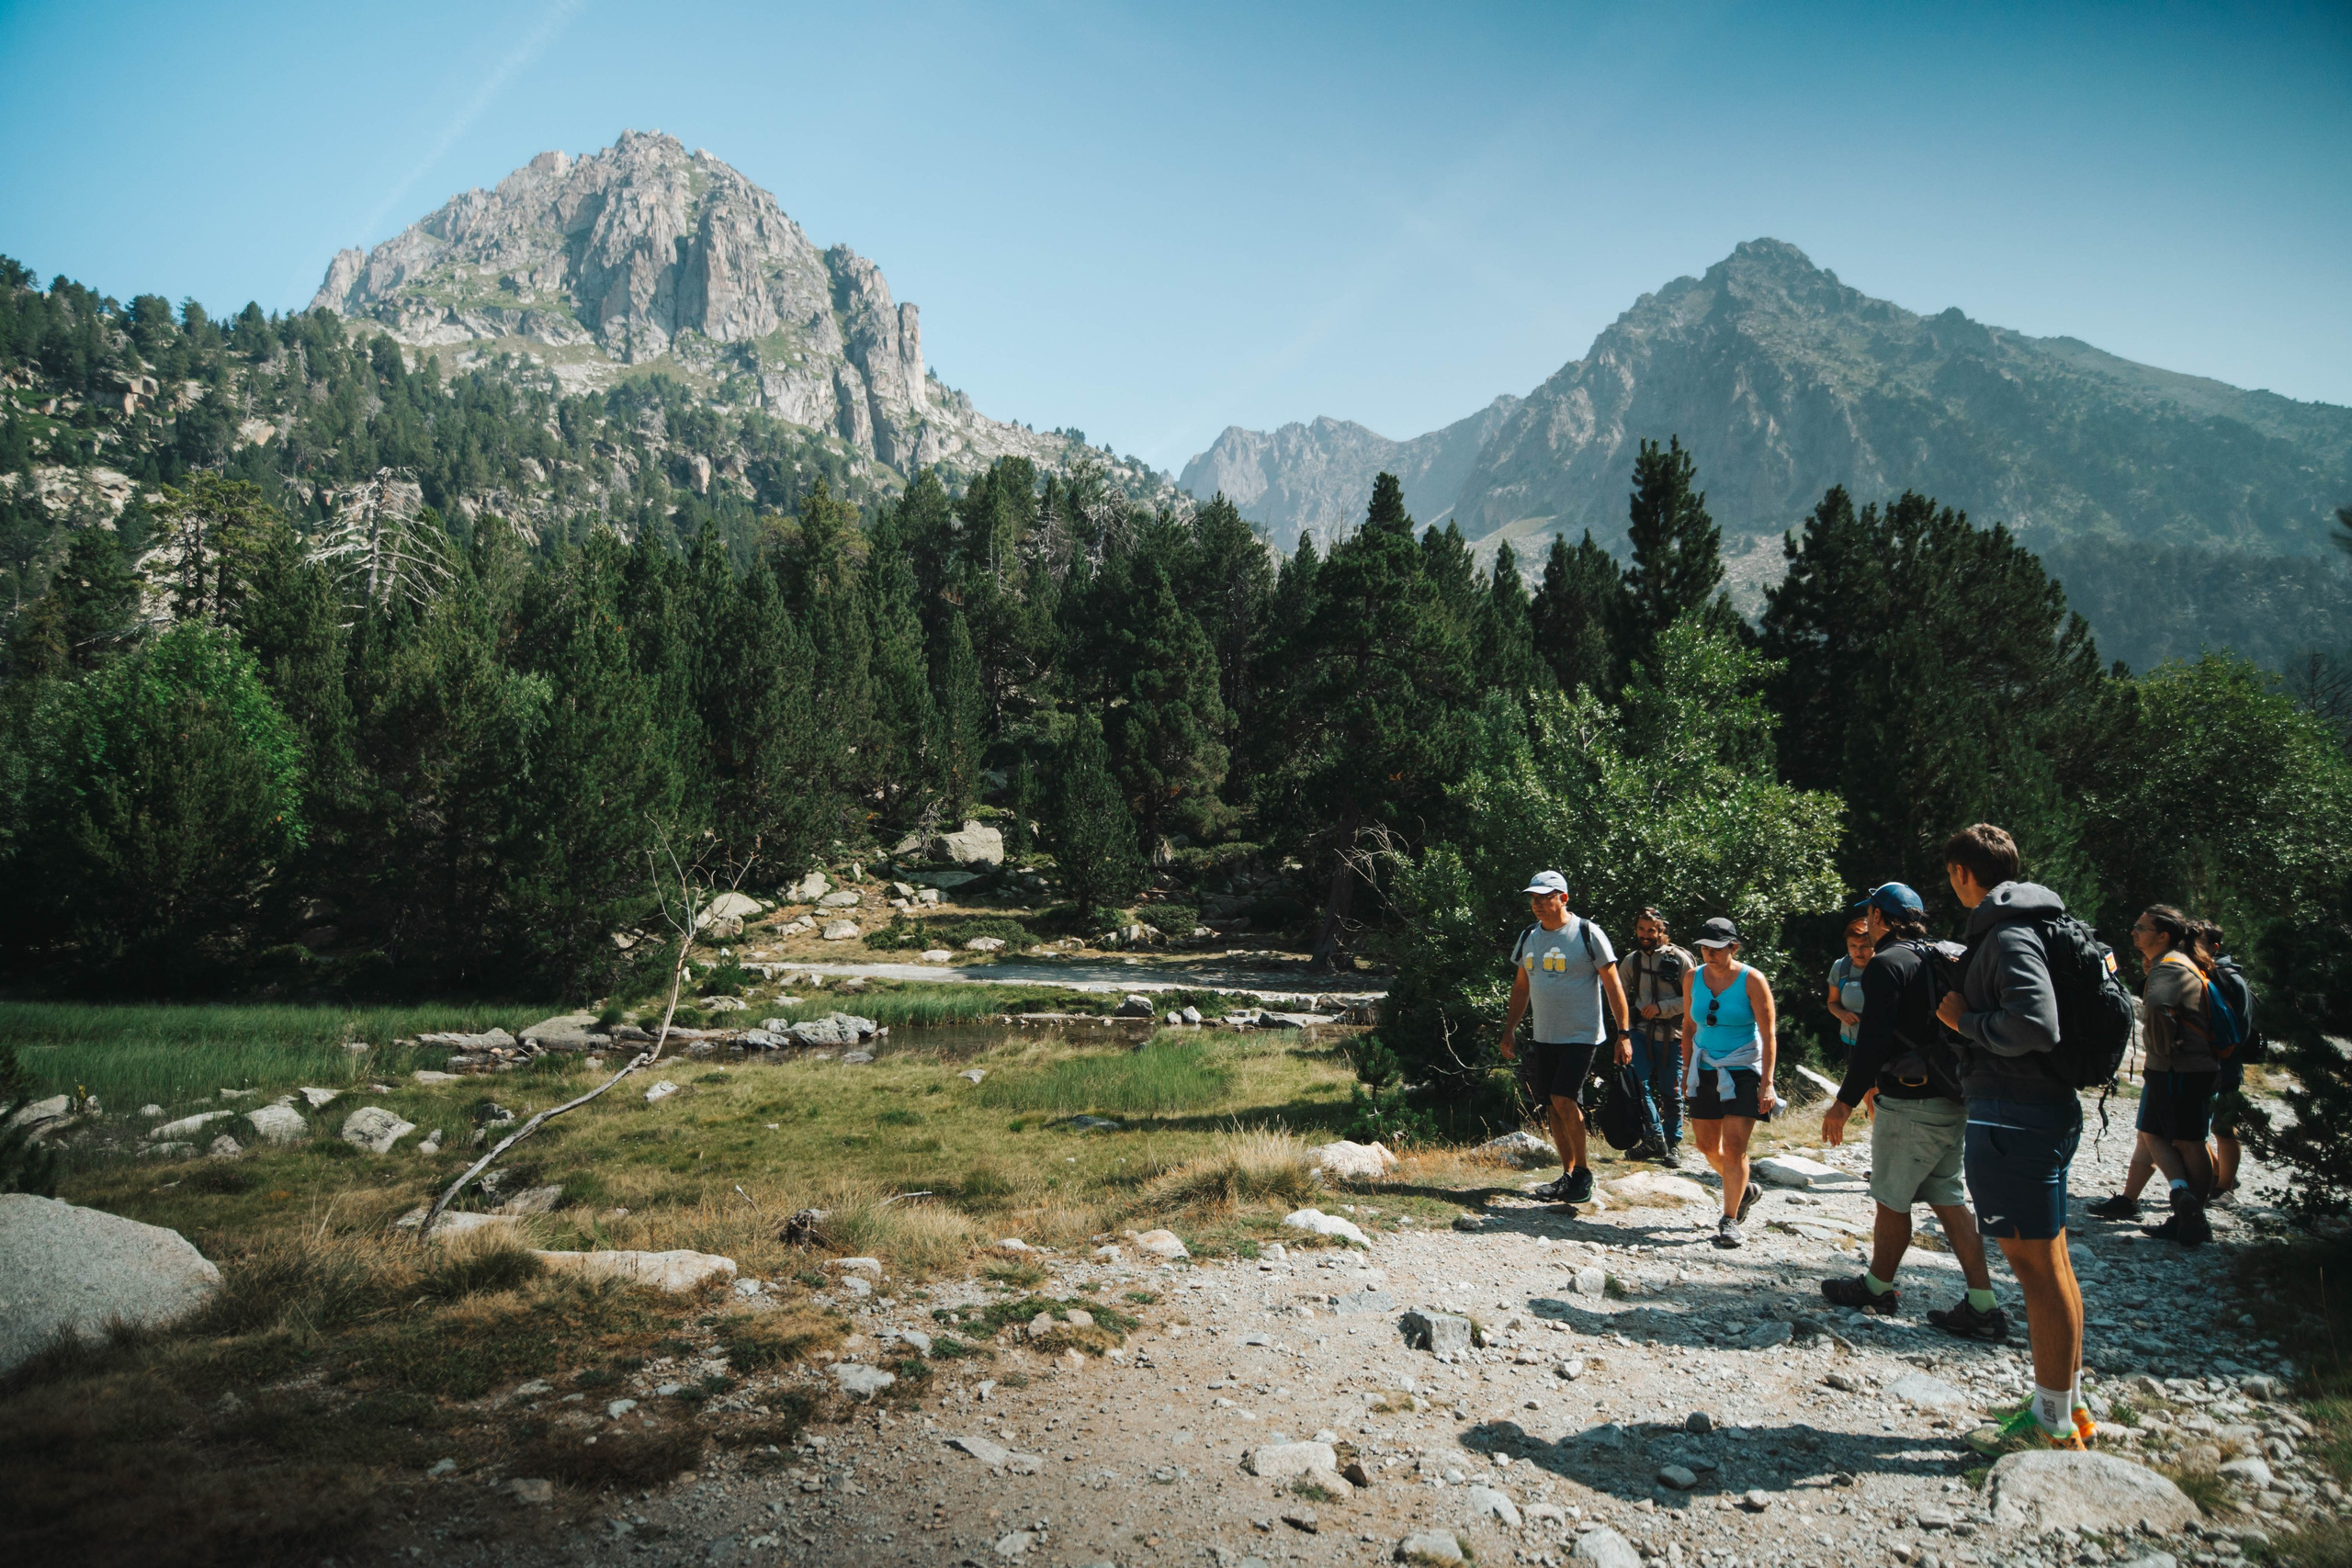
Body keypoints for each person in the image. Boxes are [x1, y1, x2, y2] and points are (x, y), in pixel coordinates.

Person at [1936, 822, 2089, 1450]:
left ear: (1963, 874)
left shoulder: (2005, 932)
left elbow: (2034, 1023)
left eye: (1952, 873)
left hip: (2013, 1114)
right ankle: (2066, 1406)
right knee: (2052, 1261)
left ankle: (2052, 1424)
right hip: (2038, 1108)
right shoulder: (2036, 920)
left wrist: (1962, 1019)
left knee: (2034, 1268)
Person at [1818, 883, 2007, 1340]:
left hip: (1909, 1102)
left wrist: (1843, 1103)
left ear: (1880, 918)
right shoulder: (1949, 953)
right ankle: (1983, 1304)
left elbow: (1872, 1042)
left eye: (1870, 913)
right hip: (1953, 1092)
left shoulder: (1887, 964)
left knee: (1891, 1198)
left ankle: (1877, 1288)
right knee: (1947, 1197)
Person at [1496, 870, 1633, 1204]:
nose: (1538, 905)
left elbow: (1613, 986)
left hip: (1582, 1034)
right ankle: (1569, 1174)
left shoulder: (1587, 933)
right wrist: (1510, 1028)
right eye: (1534, 899)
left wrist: (1624, 1034)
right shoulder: (1530, 936)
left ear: (1563, 898)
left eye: (1546, 898)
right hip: (1545, 1034)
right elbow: (1521, 986)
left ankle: (1583, 1173)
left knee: (1563, 1098)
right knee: (1552, 1106)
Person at [2084, 906, 2218, 1244]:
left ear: (2163, 936)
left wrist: (2161, 1045)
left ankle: (2192, 1213)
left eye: (2141, 928)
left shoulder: (2169, 968)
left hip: (2176, 1068)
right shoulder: (2180, 962)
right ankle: (2183, 1202)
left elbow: (2158, 1008)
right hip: (2188, 1067)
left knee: (2186, 1141)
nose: (2134, 933)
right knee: (2155, 1133)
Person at [1680, 916, 1778, 1248]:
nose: (1710, 953)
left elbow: (1769, 1033)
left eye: (1718, 947)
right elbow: (1689, 1028)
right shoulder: (1692, 977)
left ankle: (1729, 1219)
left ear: (1733, 947)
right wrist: (1685, 1072)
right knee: (1707, 1146)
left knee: (1735, 1148)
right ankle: (1744, 1190)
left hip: (1743, 1068)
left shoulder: (1753, 980)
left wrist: (1767, 1082)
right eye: (1705, 947)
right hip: (1704, 1066)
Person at [1617, 908, 1693, 1165]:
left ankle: (1672, 1144)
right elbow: (1618, 996)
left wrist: (1663, 1008)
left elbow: (1694, 998)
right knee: (1637, 1086)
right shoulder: (1632, 961)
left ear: (1662, 931)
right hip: (1640, 1033)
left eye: (1652, 930)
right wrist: (1622, 1033)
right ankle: (1655, 1138)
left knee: (1671, 1092)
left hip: (1673, 1035)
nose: (1645, 935)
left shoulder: (1681, 959)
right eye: (1641, 929)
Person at [1826, 917, 1873, 1062]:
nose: (1858, 952)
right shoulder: (1840, 968)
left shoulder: (1888, 967)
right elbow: (1832, 1003)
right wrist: (1842, 1014)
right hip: (1851, 1042)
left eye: (1864, 946)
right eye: (1852, 945)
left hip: (1883, 1042)